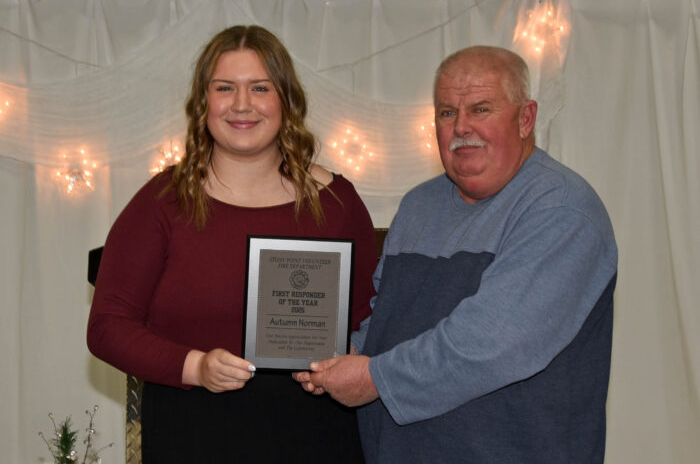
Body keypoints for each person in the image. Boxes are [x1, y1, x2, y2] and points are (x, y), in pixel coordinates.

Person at [294, 46, 618, 463]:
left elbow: (491, 342)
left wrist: (374, 378)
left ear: (526, 118)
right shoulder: (418, 206)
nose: (462, 126)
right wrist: (346, 354)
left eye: (481, 109)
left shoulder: (560, 210)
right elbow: (383, 316)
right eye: (447, 112)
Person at [87, 25, 376, 463]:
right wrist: (196, 367)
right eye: (224, 87)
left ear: (286, 100)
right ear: (203, 102)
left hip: (316, 439)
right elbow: (108, 327)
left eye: (260, 87)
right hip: (193, 439)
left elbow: (374, 319)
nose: (242, 104)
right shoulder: (163, 202)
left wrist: (352, 358)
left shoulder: (337, 203)